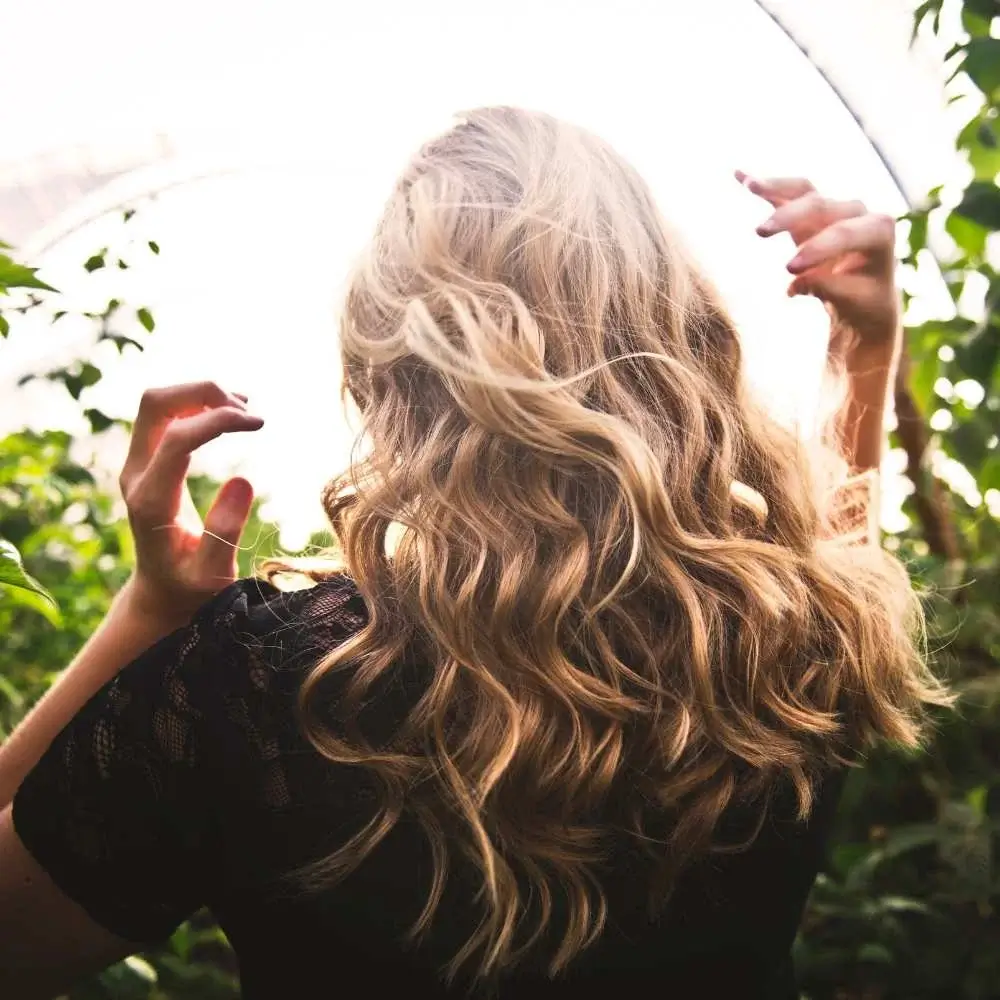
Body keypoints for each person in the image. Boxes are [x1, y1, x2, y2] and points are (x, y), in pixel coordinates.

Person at [0, 107, 949, 1000]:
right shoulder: (795, 638)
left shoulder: (263, 681)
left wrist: (151, 617)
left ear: (389, 368)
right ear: (677, 327)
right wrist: (864, 346)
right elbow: (835, 555)